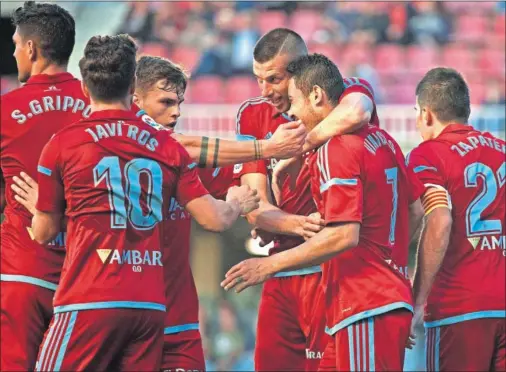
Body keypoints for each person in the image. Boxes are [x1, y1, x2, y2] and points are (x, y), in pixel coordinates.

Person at [31, 34, 259, 371]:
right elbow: (216, 214)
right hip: (151, 307)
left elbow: (44, 230)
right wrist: (264, 158)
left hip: (94, 299)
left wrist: (36, 212)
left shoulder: (66, 143)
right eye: (166, 102)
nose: (177, 112)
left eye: (179, 103)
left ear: (84, 89)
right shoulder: (169, 150)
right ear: (131, 94)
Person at [222, 53, 425, 371]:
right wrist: (390, 262)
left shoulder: (335, 148)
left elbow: (344, 234)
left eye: (293, 101)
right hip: (382, 297)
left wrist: (268, 265)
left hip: (363, 301)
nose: (289, 112)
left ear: (316, 95)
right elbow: (414, 208)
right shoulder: (385, 140)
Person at [233, 28, 379, 371]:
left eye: (274, 79)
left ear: (300, 71)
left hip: (336, 273)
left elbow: (358, 112)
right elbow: (255, 208)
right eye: (258, 80)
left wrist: (299, 147)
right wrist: (299, 224)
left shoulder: (342, 92)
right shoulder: (251, 115)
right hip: (282, 271)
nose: (265, 91)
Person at [0, 2, 90, 370]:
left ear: (32, 49)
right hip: (87, 277)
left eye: (16, 44)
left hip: (22, 270)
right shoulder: (100, 107)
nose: (15, 52)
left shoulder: (6, 110)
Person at [406, 67, 505, 371]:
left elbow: (439, 221)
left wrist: (417, 301)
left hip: (458, 307)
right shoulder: (502, 151)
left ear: (426, 113)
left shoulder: (429, 155)